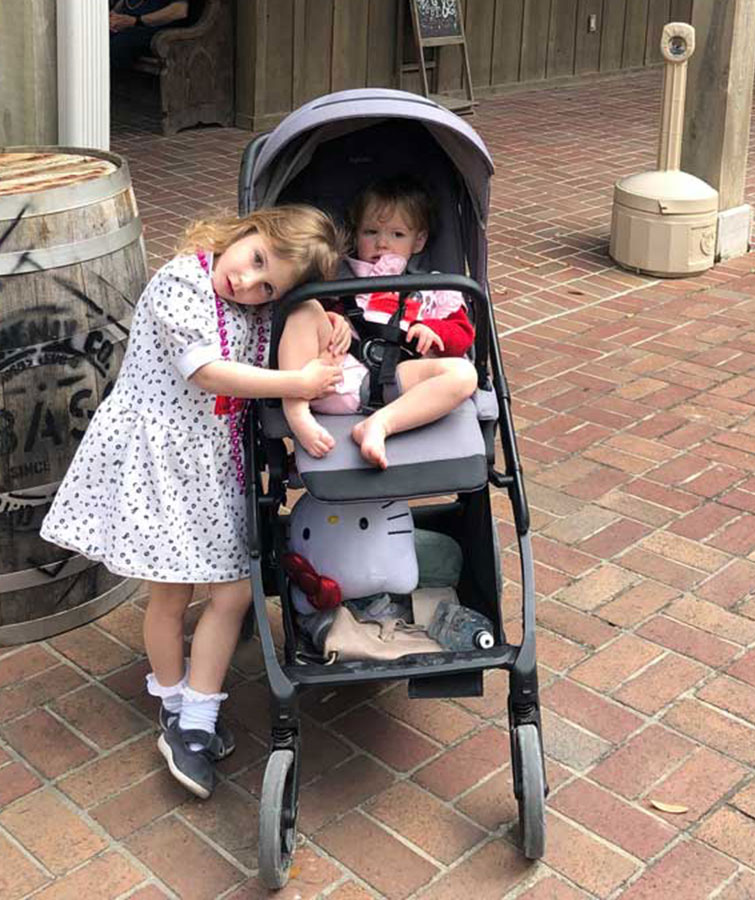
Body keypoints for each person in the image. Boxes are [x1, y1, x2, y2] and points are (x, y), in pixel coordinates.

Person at [40, 205, 346, 800]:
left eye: (269, 286)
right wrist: (297, 385)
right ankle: (177, 704)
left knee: (232, 592)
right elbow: (206, 372)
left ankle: (197, 716)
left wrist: (328, 320)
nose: (249, 282)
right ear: (247, 229)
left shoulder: (257, 310)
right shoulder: (181, 280)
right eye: (255, 259)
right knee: (172, 593)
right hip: (158, 460)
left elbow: (291, 330)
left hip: (213, 465)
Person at [279, 175, 478, 470]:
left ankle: (380, 425)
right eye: (371, 232)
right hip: (334, 380)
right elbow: (307, 326)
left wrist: (435, 330)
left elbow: (464, 334)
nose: (382, 243)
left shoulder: (433, 287)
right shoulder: (337, 278)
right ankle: (296, 411)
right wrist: (331, 319)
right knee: (303, 309)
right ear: (355, 234)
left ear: (419, 240)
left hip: (402, 380)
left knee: (464, 374)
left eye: (397, 235)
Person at [109, 0, 191, 70]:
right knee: (99, 38)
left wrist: (136, 21)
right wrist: (113, 15)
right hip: (130, 23)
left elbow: (179, 10)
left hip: (158, 30)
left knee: (117, 45)